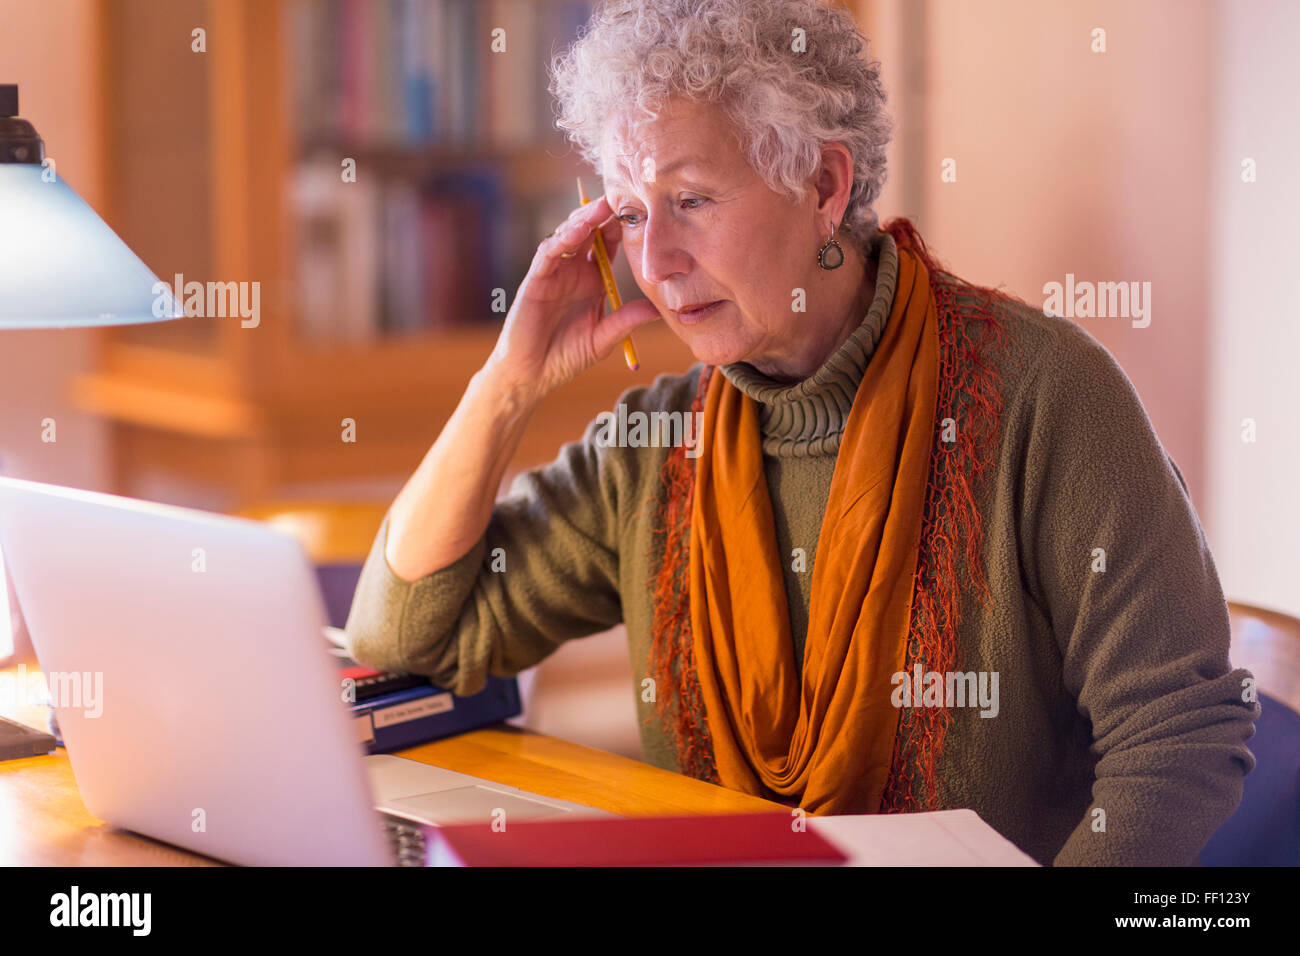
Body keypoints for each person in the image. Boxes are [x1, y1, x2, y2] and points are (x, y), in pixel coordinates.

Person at [344, 0, 1257, 866]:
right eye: (627, 213)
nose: (654, 261)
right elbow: (402, 638)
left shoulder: (1044, 396)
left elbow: (1181, 730)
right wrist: (506, 385)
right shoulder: (657, 445)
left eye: (692, 199)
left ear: (824, 184)